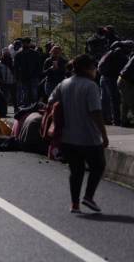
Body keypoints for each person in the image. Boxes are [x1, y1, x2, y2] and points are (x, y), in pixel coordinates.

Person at [48, 54, 109, 214]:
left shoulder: (64, 84)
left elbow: (51, 100)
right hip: (89, 137)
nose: (95, 70)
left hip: (68, 137)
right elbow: (95, 112)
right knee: (98, 166)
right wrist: (104, 134)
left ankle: (75, 204)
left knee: (76, 171)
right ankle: (88, 196)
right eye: (94, 67)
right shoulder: (91, 86)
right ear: (87, 68)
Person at [98, 45, 129, 126]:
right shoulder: (120, 54)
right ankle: (116, 120)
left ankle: (105, 119)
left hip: (103, 77)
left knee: (104, 99)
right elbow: (123, 68)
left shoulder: (109, 53)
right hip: (111, 78)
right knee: (115, 99)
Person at [14, 38, 41, 107]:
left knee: (34, 92)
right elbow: (16, 67)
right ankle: (27, 106)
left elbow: (39, 65)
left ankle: (34, 105)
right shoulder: (18, 54)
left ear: (29, 43)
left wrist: (38, 75)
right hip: (23, 76)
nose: (25, 44)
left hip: (33, 76)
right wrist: (17, 77)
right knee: (25, 92)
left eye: (27, 43)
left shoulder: (35, 53)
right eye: (24, 43)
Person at [0, 50, 18, 115]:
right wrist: (0, 79)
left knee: (14, 96)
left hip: (12, 81)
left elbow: (16, 71)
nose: (6, 57)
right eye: (5, 55)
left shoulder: (13, 62)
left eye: (7, 55)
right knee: (3, 97)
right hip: (3, 83)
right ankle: (4, 109)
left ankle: (16, 109)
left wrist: (16, 78)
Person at [119, 54, 134, 127]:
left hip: (121, 79)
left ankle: (124, 121)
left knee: (125, 103)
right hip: (126, 81)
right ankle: (124, 121)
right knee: (131, 101)